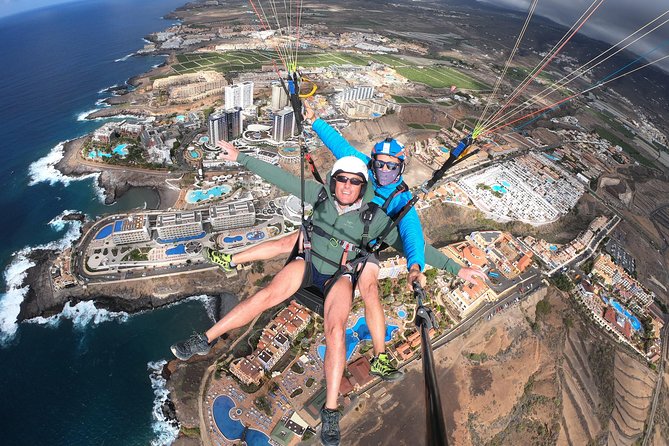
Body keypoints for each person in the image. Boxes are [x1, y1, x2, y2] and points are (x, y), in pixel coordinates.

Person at [204, 109, 486, 380]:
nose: (384, 170)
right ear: (372, 163)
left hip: (364, 249)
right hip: (334, 233)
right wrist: (314, 122)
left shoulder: (401, 201)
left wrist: (450, 269)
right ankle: (230, 260)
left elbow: (412, 241)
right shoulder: (360, 170)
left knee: (370, 288)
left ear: (401, 167)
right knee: (291, 241)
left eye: (391, 166)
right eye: (380, 164)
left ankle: (380, 356)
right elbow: (338, 147)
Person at [172, 149, 427, 446]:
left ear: (363, 186)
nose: (346, 185)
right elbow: (279, 177)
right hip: (307, 262)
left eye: (354, 181)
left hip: (340, 275)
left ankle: (330, 411)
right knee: (266, 295)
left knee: (336, 332)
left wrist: (423, 267)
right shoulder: (321, 196)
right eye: (341, 179)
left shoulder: (376, 218)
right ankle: (204, 339)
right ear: (333, 181)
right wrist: (240, 158)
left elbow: (411, 241)